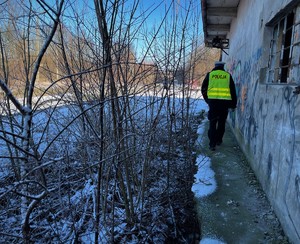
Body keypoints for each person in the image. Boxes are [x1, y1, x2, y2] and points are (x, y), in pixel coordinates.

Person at [201, 61, 237, 151]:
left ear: (215, 66)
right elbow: (233, 91)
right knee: (221, 123)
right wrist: (233, 104)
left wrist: (207, 100)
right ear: (223, 66)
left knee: (212, 123)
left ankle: (212, 144)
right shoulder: (227, 76)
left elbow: (203, 89)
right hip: (224, 104)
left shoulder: (210, 75)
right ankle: (219, 140)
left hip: (213, 103)